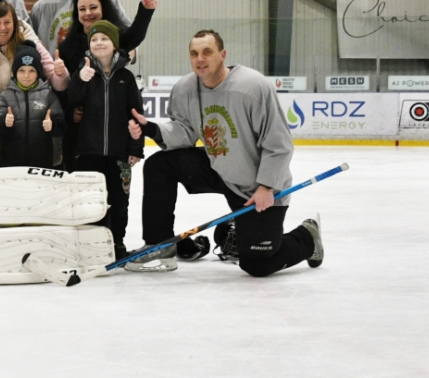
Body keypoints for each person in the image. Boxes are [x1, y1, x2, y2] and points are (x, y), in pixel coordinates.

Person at [127, 29, 323, 276]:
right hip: (217, 167)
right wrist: (152, 129)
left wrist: (267, 186)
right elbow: (185, 132)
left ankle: (308, 237)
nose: (200, 59)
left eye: (207, 52)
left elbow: (279, 144)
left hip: (256, 186)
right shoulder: (185, 88)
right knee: (159, 165)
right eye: (194, 53)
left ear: (223, 54)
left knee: (257, 265)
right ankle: (159, 245)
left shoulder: (252, 87)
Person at [64, 21, 143, 260]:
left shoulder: (126, 78)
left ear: (114, 44)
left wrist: (136, 148)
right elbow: (71, 101)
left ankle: (117, 242)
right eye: (94, 39)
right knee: (89, 202)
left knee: (119, 201)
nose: (99, 43)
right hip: (89, 153)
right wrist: (80, 79)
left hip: (120, 154)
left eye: (104, 39)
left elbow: (136, 114)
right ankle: (91, 244)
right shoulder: (84, 72)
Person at [58, 0, 155, 169]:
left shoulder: (117, 45)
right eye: (82, 9)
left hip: (115, 142)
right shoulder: (68, 47)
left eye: (93, 7)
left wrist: (145, 10)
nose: (88, 13)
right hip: (83, 139)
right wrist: (72, 112)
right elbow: (67, 91)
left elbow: (135, 36)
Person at [0, 43, 64, 171]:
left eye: (31, 70)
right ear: (15, 72)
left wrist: (53, 125)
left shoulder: (49, 96)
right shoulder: (5, 96)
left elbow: (62, 126)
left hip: (42, 164)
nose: (26, 76)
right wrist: (4, 123)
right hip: (11, 164)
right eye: (22, 70)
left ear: (38, 73)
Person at [0, 0, 65, 97]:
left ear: (15, 24)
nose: (3, 27)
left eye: (7, 22)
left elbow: (58, 84)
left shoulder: (30, 45)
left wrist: (60, 74)